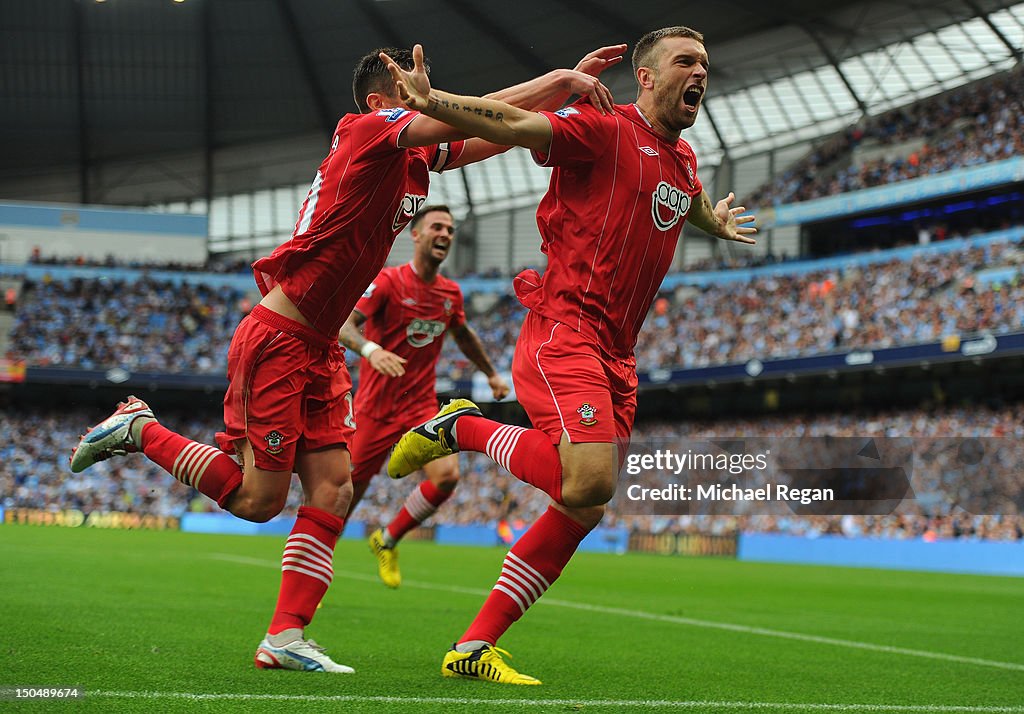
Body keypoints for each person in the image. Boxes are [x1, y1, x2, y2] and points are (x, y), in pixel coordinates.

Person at [68, 45, 624, 674]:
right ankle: (139, 429)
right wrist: (555, 79)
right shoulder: (363, 132)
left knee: (333, 489)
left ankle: (284, 636)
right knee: (259, 500)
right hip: (280, 334)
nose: (422, 92)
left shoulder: (411, 163)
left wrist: (561, 97)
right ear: (378, 102)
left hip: (320, 345)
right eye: (407, 89)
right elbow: (451, 118)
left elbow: (485, 131)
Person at [382, 27, 757, 685]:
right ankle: (461, 427)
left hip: (619, 353)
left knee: (584, 505)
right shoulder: (602, 129)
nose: (701, 71)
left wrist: (713, 224)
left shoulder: (686, 159)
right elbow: (516, 123)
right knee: (590, 481)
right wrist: (435, 100)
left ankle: (472, 648)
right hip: (566, 331)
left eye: (705, 63)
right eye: (685, 61)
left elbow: (685, 199)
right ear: (645, 76)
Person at [338, 204, 510, 588]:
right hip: (375, 408)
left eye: (450, 229)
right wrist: (371, 350)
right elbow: (345, 326)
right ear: (415, 234)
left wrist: (492, 373)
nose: (445, 235)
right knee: (344, 497)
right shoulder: (387, 282)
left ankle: (388, 538)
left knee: (448, 476)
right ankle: (315, 571)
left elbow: (463, 335)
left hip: (419, 407)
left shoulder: (450, 293)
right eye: (437, 227)